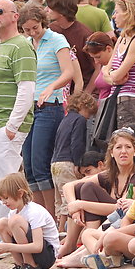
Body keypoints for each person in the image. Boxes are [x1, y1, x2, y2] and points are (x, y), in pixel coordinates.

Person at [0, 0, 36, 221]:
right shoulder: (1, 47)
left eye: (0, 11)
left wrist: (12, 126)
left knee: (6, 183)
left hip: (5, 123)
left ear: (15, 16)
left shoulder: (21, 45)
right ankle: (3, 230)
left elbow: (27, 88)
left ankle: (12, 231)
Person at [19, 4, 74, 215]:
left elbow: (68, 72)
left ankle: (50, 214)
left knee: (40, 162)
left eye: (36, 28)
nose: (33, 33)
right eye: (28, 30)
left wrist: (52, 86)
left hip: (50, 105)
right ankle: (38, 212)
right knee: (29, 165)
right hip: (30, 106)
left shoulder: (56, 40)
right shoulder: (26, 44)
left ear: (43, 22)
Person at [56, 130, 135, 263]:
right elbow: (68, 186)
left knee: (88, 188)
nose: (123, 151)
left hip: (122, 224)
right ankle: (70, 245)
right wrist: (74, 206)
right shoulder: (110, 174)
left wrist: (81, 204)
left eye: (128, 147)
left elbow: (122, 210)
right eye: (119, 147)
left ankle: (88, 248)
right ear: (111, 152)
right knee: (80, 188)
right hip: (107, 223)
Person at [0, 172, 60, 269]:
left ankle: (31, 265)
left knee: (15, 221)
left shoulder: (34, 211)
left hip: (47, 255)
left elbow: (38, 246)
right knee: (2, 223)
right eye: (1, 199)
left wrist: (8, 247)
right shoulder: (13, 212)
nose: (4, 202)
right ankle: (20, 265)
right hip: (33, 251)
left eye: (6, 198)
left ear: (20, 193)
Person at [102, 0, 135, 146]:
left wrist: (111, 76)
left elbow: (117, 74)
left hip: (130, 101)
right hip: (115, 98)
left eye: (116, 12)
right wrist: (112, 77)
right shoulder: (122, 38)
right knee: (114, 145)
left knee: (128, 144)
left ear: (129, 13)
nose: (114, 16)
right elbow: (106, 70)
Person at [51, 91, 98, 231]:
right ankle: (66, 231)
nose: (89, 117)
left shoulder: (65, 119)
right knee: (70, 197)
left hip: (55, 162)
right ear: (83, 106)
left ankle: (60, 228)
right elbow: (77, 143)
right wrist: (78, 164)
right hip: (68, 162)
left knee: (60, 198)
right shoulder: (79, 120)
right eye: (89, 113)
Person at [46, 0, 95, 92]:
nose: (47, 10)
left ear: (61, 12)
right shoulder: (51, 30)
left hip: (82, 88)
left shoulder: (85, 35)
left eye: (50, 8)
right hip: (58, 90)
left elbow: (98, 67)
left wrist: (86, 93)